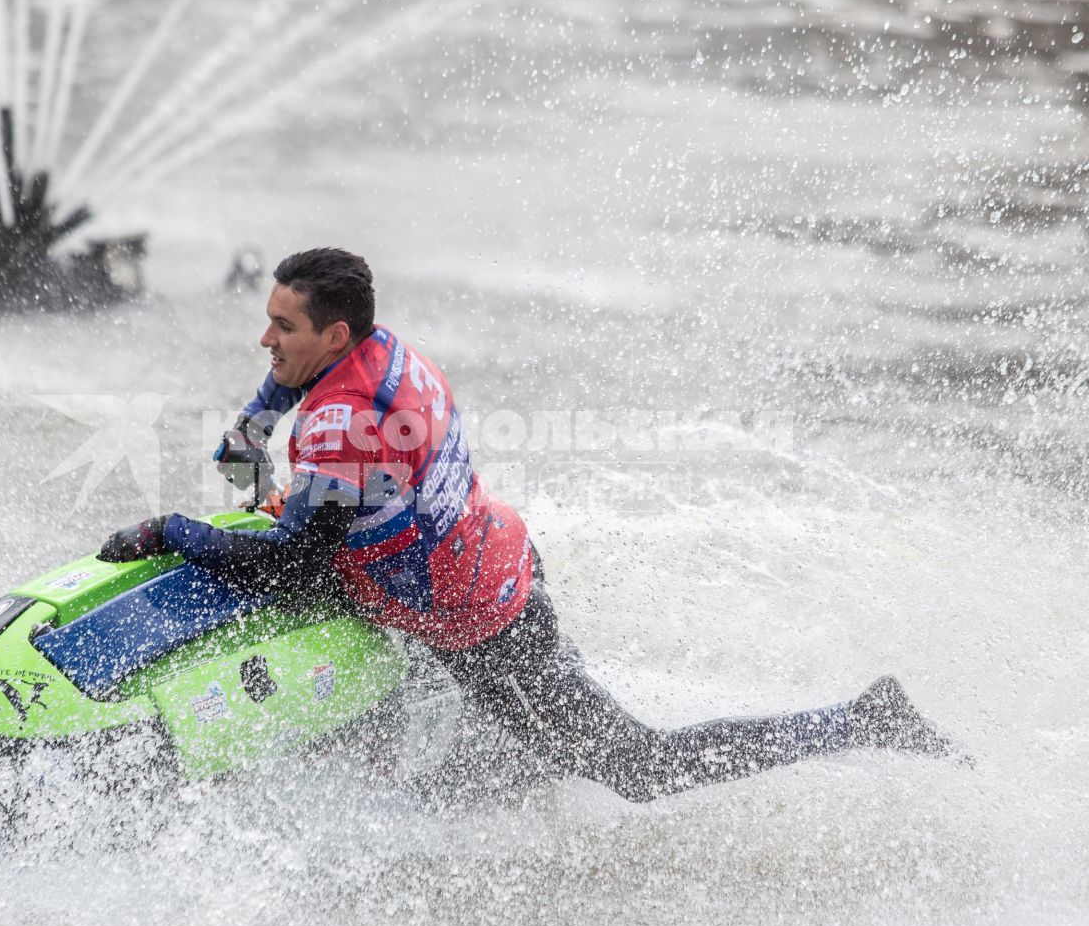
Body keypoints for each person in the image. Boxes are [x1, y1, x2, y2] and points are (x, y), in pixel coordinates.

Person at [97, 248, 964, 801]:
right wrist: (248, 456)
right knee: (482, 773)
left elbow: (294, 567)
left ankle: (861, 720)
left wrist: (169, 532)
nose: (264, 339)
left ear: (331, 333)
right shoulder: (371, 347)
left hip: (483, 621)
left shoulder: (346, 423)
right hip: (480, 553)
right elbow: (265, 418)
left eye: (280, 326)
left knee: (636, 769)